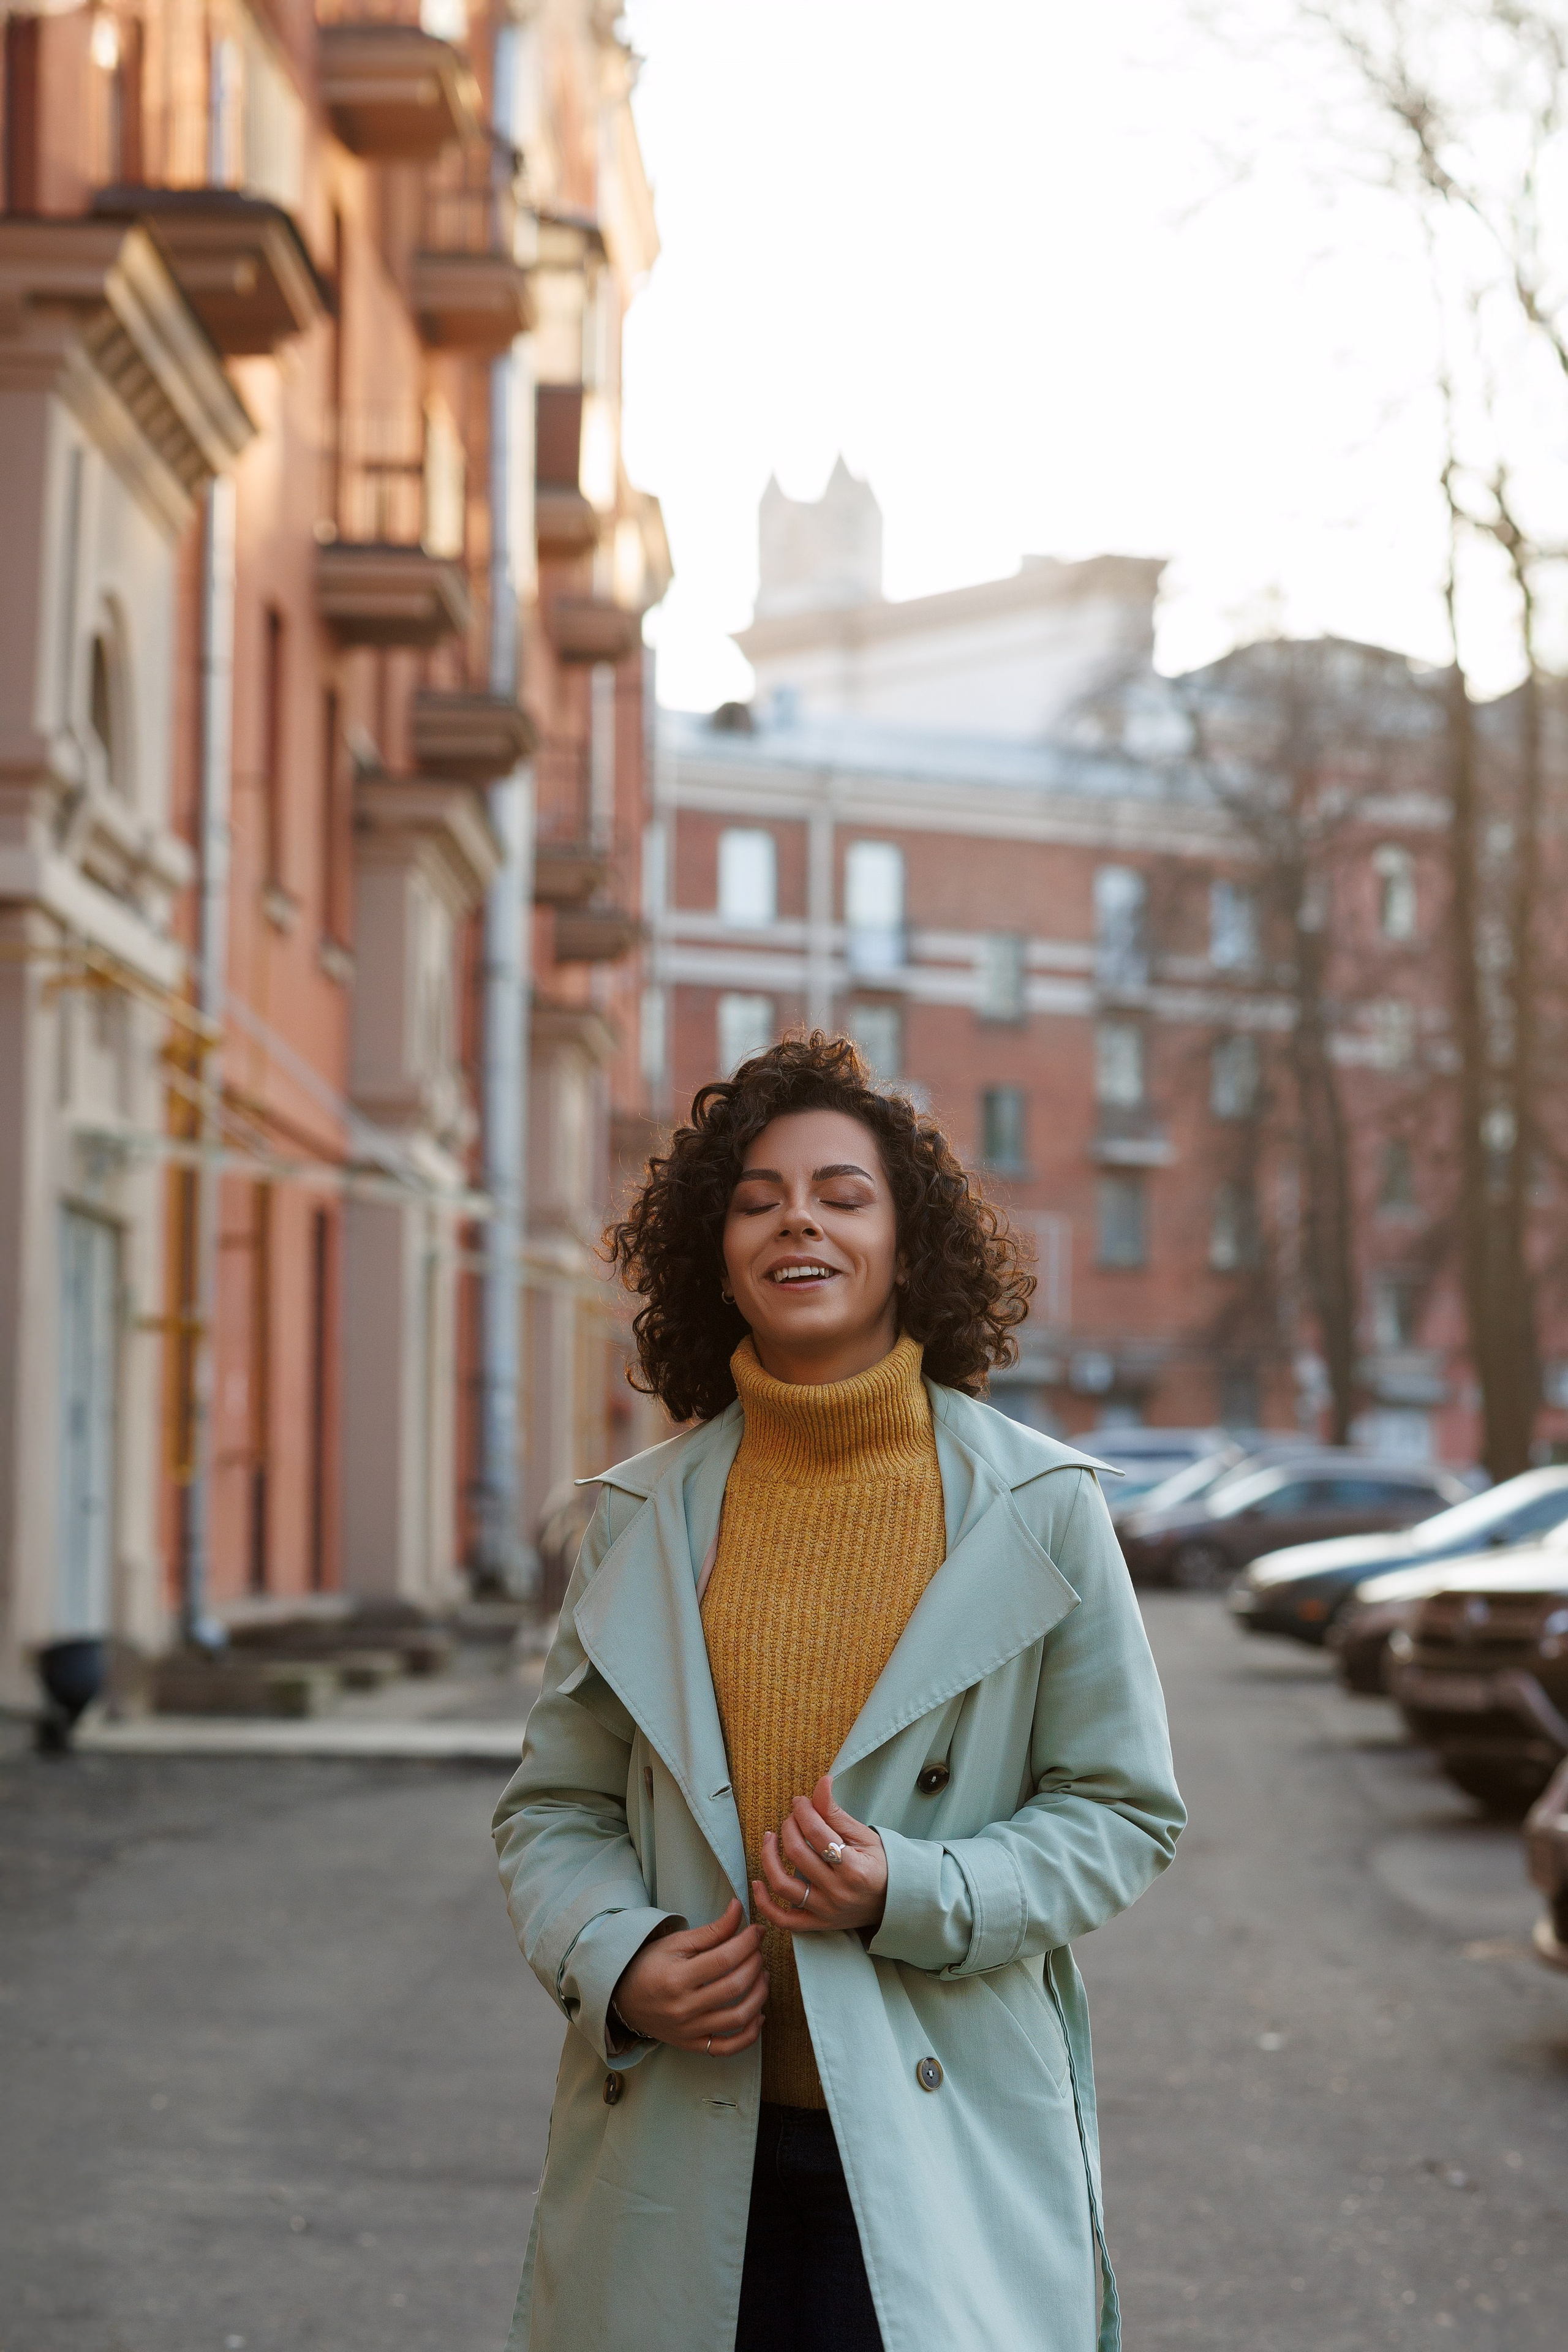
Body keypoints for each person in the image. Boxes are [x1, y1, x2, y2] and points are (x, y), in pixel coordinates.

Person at [492, 1033, 1185, 2352]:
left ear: (907, 1249)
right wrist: (618, 1961)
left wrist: (912, 1891)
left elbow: (1120, 1811)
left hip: (941, 2144)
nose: (794, 1219)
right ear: (717, 1254)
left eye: (839, 1194)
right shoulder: (633, 1518)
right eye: (755, 1199)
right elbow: (552, 1812)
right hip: (679, 2157)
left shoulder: (1039, 1509)